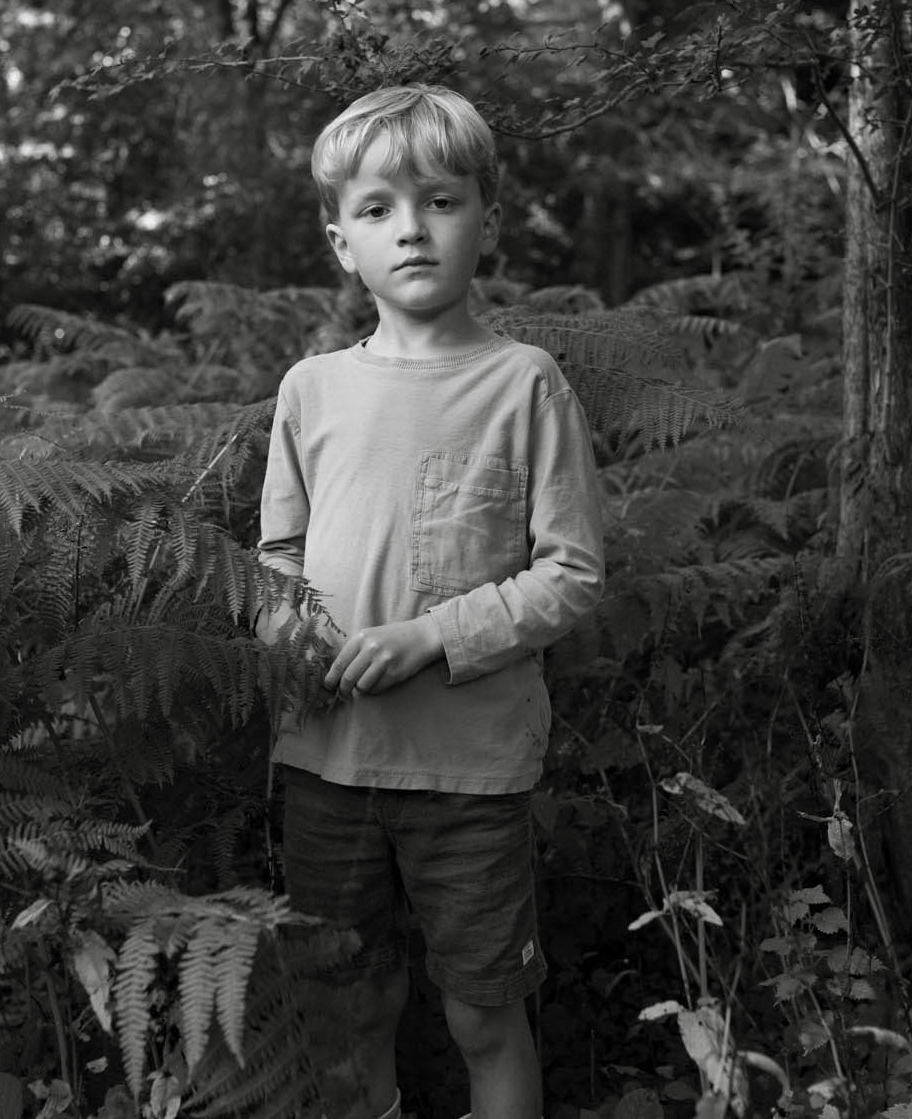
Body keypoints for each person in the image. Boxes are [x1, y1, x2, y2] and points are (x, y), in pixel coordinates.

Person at [257, 84, 606, 1119]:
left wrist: (427, 637)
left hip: (470, 773)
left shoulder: (523, 383)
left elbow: (571, 571)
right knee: (344, 1006)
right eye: (376, 209)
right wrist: (289, 634)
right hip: (324, 760)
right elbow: (274, 557)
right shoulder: (309, 391)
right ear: (340, 241)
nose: (410, 228)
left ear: (485, 223)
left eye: (440, 201)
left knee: (483, 1012)